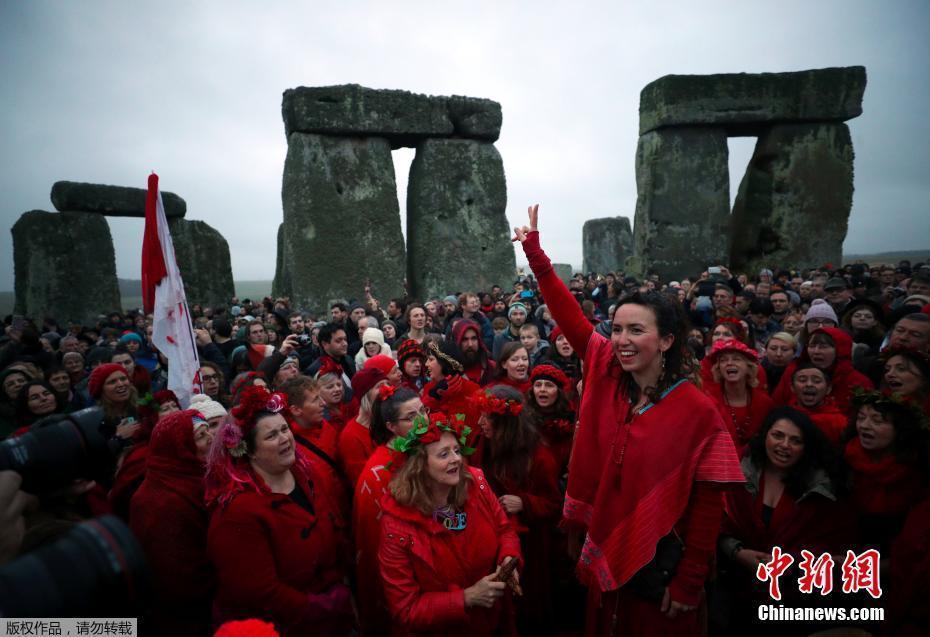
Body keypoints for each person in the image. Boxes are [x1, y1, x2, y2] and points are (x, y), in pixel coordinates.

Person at [514, 205, 743, 636]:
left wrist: (690, 581)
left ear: (667, 340)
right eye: (617, 329)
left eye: (636, 331)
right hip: (605, 544)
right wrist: (536, 257)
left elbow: (708, 505)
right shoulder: (606, 369)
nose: (621, 340)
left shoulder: (696, 411)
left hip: (663, 566)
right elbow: (571, 319)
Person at [206, 385, 353, 636]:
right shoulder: (238, 511)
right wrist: (319, 609)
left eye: (285, 429)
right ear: (248, 450)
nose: (285, 438)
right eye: (272, 435)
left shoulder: (306, 475)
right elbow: (259, 593)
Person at [378, 410, 523, 636]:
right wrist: (466, 598)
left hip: (494, 622)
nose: (456, 458)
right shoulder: (396, 525)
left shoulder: (477, 484)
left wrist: (508, 557)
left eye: (456, 450)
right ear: (420, 466)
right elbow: (405, 609)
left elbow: (504, 530)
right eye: (443, 454)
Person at [716, 407, 852, 636]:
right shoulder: (738, 471)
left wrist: (790, 564)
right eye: (778, 435)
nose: (784, 445)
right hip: (736, 594)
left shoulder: (821, 491)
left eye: (795, 440)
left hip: (794, 605)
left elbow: (834, 547)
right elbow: (714, 525)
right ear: (765, 435)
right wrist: (738, 553)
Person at [474, 385, 561, 634]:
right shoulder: (484, 444)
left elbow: (555, 504)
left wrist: (525, 502)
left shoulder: (539, 456)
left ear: (505, 422)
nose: (480, 422)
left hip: (531, 546)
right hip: (493, 539)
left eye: (486, 417)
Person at [130, 410, 218, 637]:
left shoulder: (194, 477)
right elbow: (177, 575)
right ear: (179, 448)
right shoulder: (160, 500)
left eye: (209, 430)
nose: (211, 438)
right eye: (200, 436)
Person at [353, 385, 422, 636]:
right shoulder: (378, 474)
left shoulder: (418, 451)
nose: (422, 421)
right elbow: (376, 542)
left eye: (423, 411)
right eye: (411, 417)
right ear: (391, 426)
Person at [843, 389, 930, 550]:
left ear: (900, 430)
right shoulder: (843, 461)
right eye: (861, 418)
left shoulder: (918, 471)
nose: (864, 425)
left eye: (877, 421)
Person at [771, 327, 874, 412]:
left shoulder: (858, 382)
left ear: (840, 350)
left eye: (823, 347)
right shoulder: (794, 371)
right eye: (812, 346)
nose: (816, 351)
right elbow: (776, 406)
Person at [703, 339, 775, 450]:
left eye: (737, 359)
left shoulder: (765, 403)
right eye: (723, 360)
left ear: (749, 367)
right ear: (718, 369)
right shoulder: (707, 399)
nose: (729, 363)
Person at [337, 363, 389, 487]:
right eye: (379, 386)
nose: (387, 389)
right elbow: (362, 481)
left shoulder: (385, 419)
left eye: (387, 384)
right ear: (365, 395)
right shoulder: (351, 437)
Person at [523, 364, 576, 476]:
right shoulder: (525, 419)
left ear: (558, 391)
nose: (542, 390)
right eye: (538, 385)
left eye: (549, 385)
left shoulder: (570, 420)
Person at [787, 363, 847, 445]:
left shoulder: (840, 423)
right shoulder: (785, 416)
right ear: (792, 387)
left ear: (828, 388)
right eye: (802, 380)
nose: (809, 384)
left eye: (817, 381)